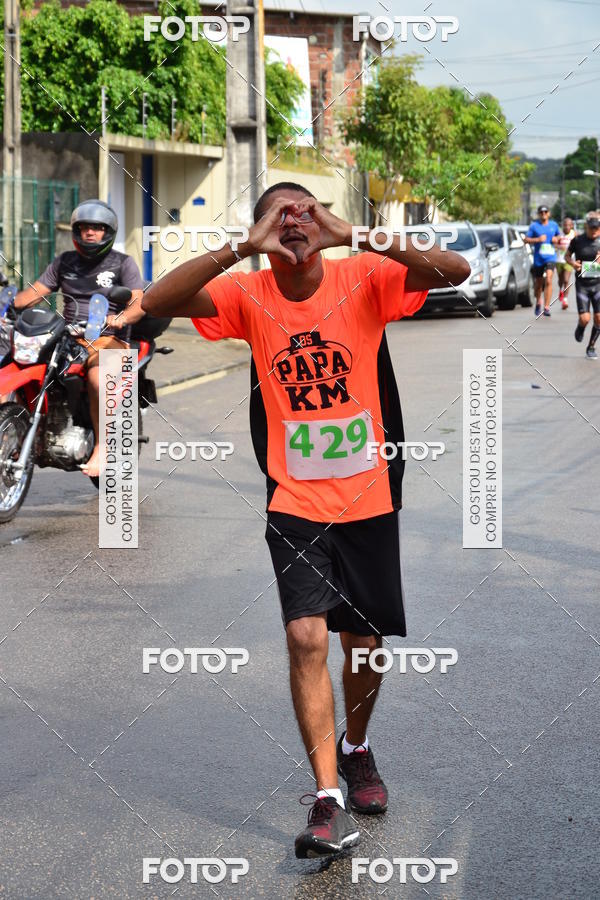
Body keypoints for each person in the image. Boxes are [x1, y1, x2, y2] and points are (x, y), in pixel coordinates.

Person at [142, 181, 470, 858]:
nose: (296, 223)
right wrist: (239, 247)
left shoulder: (364, 275)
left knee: (364, 644)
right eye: (278, 216)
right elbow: (158, 302)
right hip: (294, 501)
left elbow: (455, 270)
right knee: (304, 638)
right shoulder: (248, 295)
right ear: (261, 231)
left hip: (369, 496)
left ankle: (358, 746)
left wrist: (354, 233)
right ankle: (328, 799)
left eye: (307, 212)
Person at [14, 200, 145, 475]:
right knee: (21, 366)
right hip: (69, 337)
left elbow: (138, 302)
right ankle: (27, 430)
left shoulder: (123, 263)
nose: (90, 233)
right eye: (84, 227)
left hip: (108, 338)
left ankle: (103, 448)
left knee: (99, 380)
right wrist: (9, 303)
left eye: (97, 228)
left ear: (107, 232)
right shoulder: (65, 261)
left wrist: (120, 318)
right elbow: (34, 293)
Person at [564, 210, 600, 359]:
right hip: (583, 285)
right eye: (592, 228)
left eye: (597, 228)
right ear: (586, 227)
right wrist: (573, 263)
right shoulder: (577, 240)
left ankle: (591, 346)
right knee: (585, 318)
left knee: (599, 318)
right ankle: (581, 327)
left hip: (598, 284)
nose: (594, 231)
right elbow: (566, 256)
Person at [524, 205, 561, 317]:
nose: (543, 214)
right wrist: (537, 239)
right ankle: (538, 301)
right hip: (539, 259)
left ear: (548, 213)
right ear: (539, 214)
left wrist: (556, 239)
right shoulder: (534, 226)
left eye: (545, 212)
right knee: (539, 284)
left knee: (549, 280)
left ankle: (547, 306)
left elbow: (559, 236)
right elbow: (525, 239)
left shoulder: (553, 225)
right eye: (541, 212)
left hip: (550, 257)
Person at [555, 216, 576, 309]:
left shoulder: (574, 234)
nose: (566, 227)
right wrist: (559, 247)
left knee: (566, 280)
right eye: (565, 225)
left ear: (571, 226)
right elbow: (554, 243)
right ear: (562, 226)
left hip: (569, 260)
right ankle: (560, 290)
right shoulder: (560, 235)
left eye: (568, 225)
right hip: (559, 260)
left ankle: (565, 300)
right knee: (561, 280)